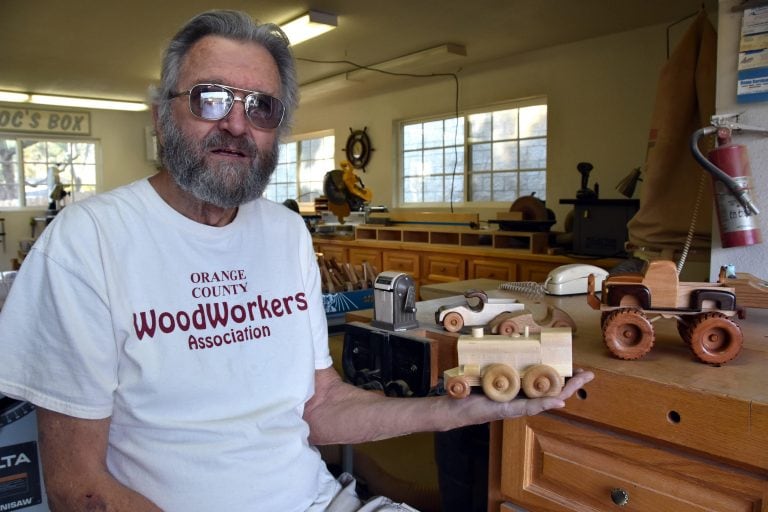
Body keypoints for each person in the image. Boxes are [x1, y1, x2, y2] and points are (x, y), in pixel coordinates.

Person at [0, 10, 594, 512]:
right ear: (161, 116)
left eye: (262, 108)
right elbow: (79, 488)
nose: (236, 123)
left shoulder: (284, 233)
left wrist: (457, 409)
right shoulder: (90, 239)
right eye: (211, 99)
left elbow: (320, 405)